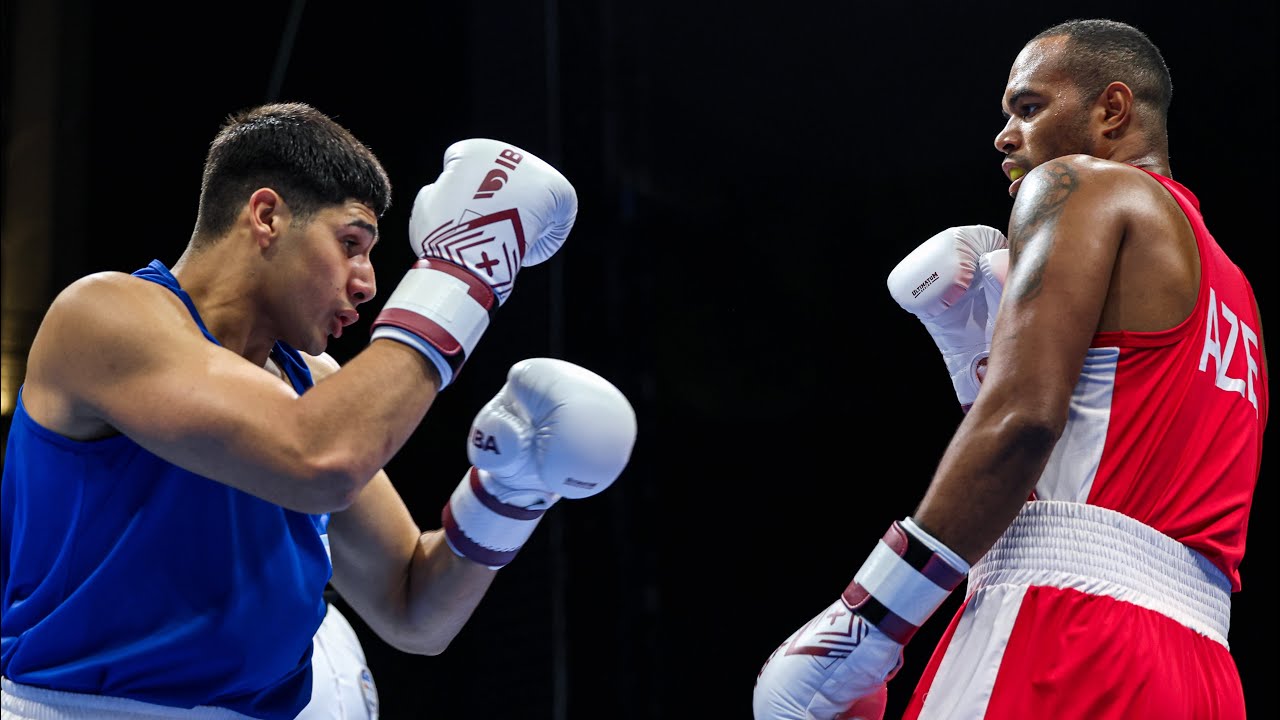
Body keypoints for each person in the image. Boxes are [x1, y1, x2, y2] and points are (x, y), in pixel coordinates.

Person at [0, 102, 638, 719]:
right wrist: (462, 272)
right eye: (351, 242)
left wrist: (507, 494)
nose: (368, 282)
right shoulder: (105, 315)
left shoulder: (314, 387)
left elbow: (414, 612)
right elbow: (318, 458)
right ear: (267, 216)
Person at [752, 18, 1267, 719]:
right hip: (1201, 671)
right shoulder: (1232, 290)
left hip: (1065, 632)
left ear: (1112, 109)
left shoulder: (1079, 185)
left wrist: (867, 626)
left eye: (1028, 107)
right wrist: (972, 358)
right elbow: (1100, 463)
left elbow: (1024, 421)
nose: (1004, 137)